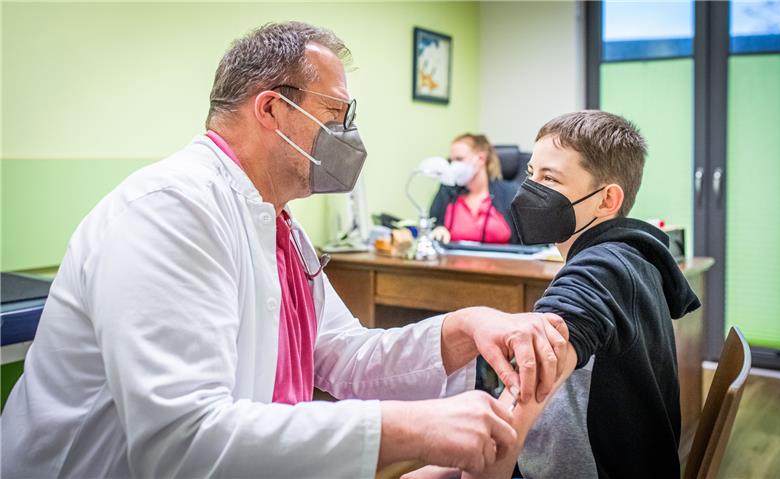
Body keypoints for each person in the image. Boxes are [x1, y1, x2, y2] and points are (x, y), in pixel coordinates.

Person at [1, 22, 571, 479]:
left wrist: (463, 329)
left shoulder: (279, 227)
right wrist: (412, 430)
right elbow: (180, 444)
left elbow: (343, 356)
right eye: (335, 115)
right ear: (271, 109)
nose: (349, 135)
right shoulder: (171, 211)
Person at [407, 111, 701, 479]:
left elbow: (519, 401)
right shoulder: (625, 258)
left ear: (607, 200)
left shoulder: (601, 270)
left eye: (550, 178)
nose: (531, 189)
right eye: (531, 174)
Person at [429, 134, 518, 244]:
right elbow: (432, 224)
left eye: (459, 159)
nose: (453, 166)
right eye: (451, 161)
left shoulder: (510, 193)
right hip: (454, 260)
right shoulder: (447, 190)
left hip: (502, 260)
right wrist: (438, 229)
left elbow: (528, 242)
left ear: (480, 159)